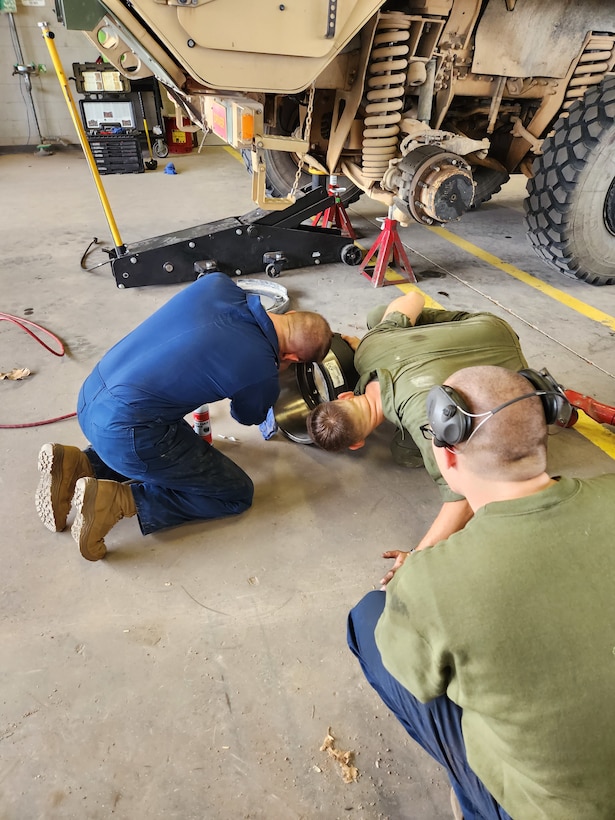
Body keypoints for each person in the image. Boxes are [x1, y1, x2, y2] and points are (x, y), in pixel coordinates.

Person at [347, 365, 615, 820]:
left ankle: (480, 802)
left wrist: (423, 589)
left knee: (368, 617)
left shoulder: (432, 581)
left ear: (448, 458)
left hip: (551, 811)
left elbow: (418, 680)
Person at [35, 272, 332, 561]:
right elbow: (247, 415)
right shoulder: (262, 369)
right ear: (293, 359)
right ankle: (115, 502)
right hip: (127, 434)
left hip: (91, 397)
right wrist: (266, 378)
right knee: (235, 493)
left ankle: (79, 466)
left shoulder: (218, 284)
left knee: (164, 427)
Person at [306, 291, 530, 561]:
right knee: (379, 316)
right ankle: (406, 341)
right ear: (345, 397)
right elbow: (413, 297)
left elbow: (463, 498)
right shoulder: (369, 347)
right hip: (489, 327)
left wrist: (417, 554)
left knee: (405, 452)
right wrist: (375, 340)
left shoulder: (422, 419)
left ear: (357, 444)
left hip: (515, 374)